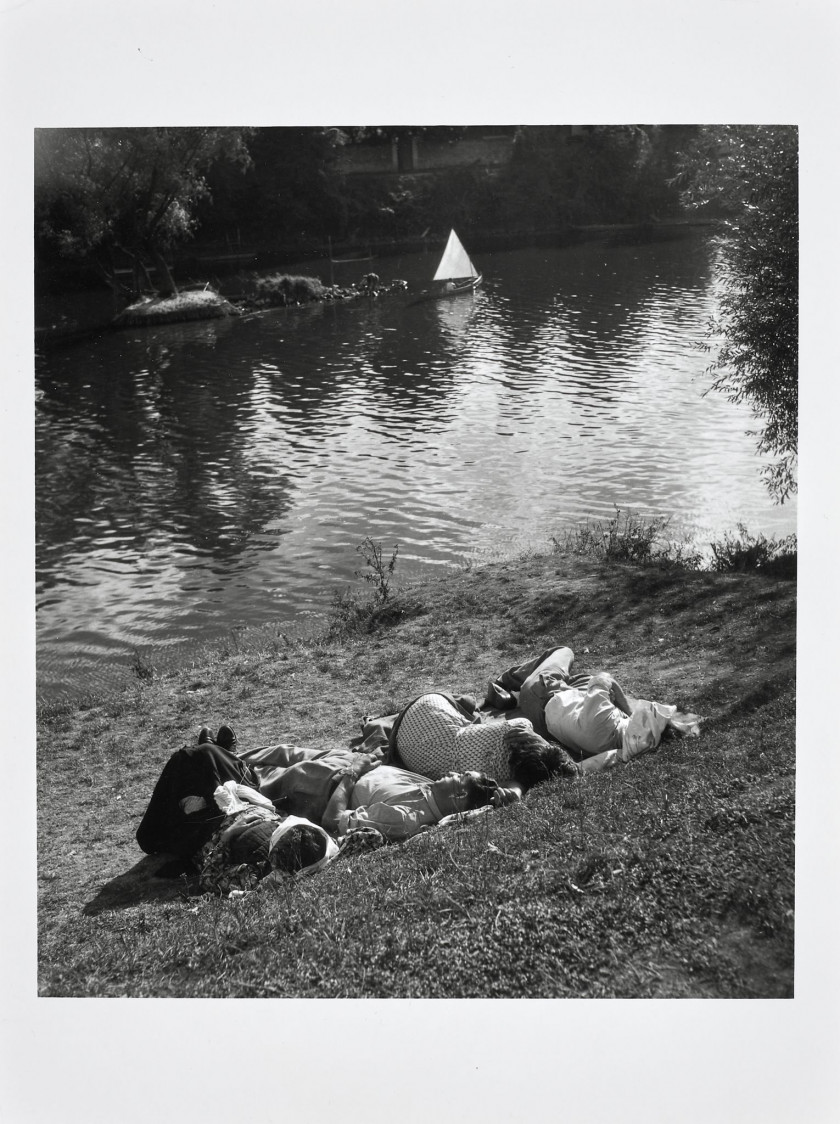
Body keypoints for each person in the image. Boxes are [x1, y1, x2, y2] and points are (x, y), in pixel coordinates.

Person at [386, 692, 580, 794]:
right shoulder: (504, 781)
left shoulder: (519, 728)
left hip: (422, 719)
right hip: (410, 758)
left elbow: (571, 765)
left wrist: (540, 740)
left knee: (466, 705)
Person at [323, 764, 520, 842]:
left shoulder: (402, 818)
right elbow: (514, 782)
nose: (451, 773)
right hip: (360, 765)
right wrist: (510, 795)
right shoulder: (436, 795)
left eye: (460, 776)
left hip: (330, 783)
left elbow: (331, 820)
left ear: (459, 795)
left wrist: (352, 772)